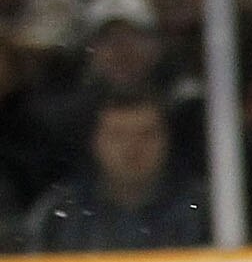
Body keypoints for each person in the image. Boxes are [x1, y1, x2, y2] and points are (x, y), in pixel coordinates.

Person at [23, 85, 207, 250]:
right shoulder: (59, 215)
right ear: (95, 142)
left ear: (167, 141)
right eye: (118, 136)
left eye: (147, 134)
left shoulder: (203, 210)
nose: (133, 148)